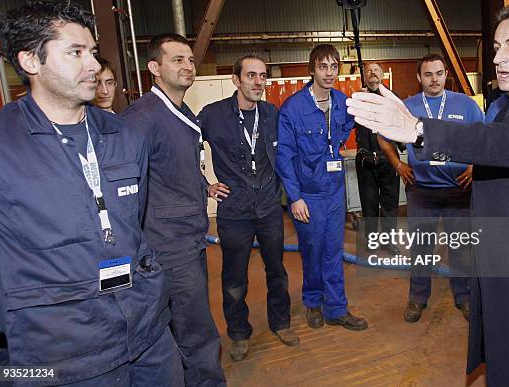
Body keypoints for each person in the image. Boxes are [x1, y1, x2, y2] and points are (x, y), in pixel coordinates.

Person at [347, 0, 509, 386]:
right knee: (508, 365)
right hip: (501, 270)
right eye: (497, 47)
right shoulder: (502, 107)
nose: (500, 58)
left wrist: (421, 130)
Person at [0, 0, 183, 385]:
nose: (94, 65)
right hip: (59, 354)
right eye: (75, 52)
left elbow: (135, 224)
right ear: (31, 61)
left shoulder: (126, 138)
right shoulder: (2, 144)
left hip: (147, 335)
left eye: (93, 52)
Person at [121, 33, 226, 387]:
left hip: (191, 235)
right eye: (177, 59)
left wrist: (203, 186)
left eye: (190, 60)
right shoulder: (142, 118)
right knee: (197, 328)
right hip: (168, 244)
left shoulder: (184, 114)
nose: (187, 66)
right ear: (155, 68)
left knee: (186, 322)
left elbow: (179, 167)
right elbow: (126, 186)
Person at [199, 55, 298, 362]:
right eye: (251, 75)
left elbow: (286, 155)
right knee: (234, 277)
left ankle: (280, 323)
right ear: (236, 80)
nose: (258, 82)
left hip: (268, 207)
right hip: (235, 210)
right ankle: (239, 333)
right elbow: (184, 149)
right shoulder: (212, 115)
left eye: (263, 76)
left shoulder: (271, 113)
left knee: (277, 271)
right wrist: (205, 185)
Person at [378, 54, 484, 323]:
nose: (434, 79)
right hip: (421, 190)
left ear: (446, 73)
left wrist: (474, 166)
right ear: (419, 78)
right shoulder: (407, 106)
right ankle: (418, 297)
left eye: (438, 73)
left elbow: (484, 137)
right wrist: (398, 164)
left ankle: (465, 296)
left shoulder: (466, 104)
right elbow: (382, 135)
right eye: (428, 74)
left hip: (458, 190)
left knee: (460, 248)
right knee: (421, 247)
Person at [276, 44, 368, 331]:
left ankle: (336, 308)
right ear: (311, 69)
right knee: (312, 251)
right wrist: (295, 198)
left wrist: (372, 91)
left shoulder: (342, 101)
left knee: (333, 251)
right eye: (322, 67)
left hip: (335, 192)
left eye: (333, 67)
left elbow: (352, 123)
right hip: (309, 195)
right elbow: (284, 157)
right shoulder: (293, 108)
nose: (329, 73)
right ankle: (313, 302)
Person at [355, 62, 401, 254]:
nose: (373, 73)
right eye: (369, 71)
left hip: (388, 159)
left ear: (382, 75)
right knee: (369, 203)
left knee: (390, 204)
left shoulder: (393, 99)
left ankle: (390, 241)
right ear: (364, 76)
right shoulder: (357, 98)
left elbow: (401, 123)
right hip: (366, 161)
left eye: (376, 70)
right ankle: (371, 240)